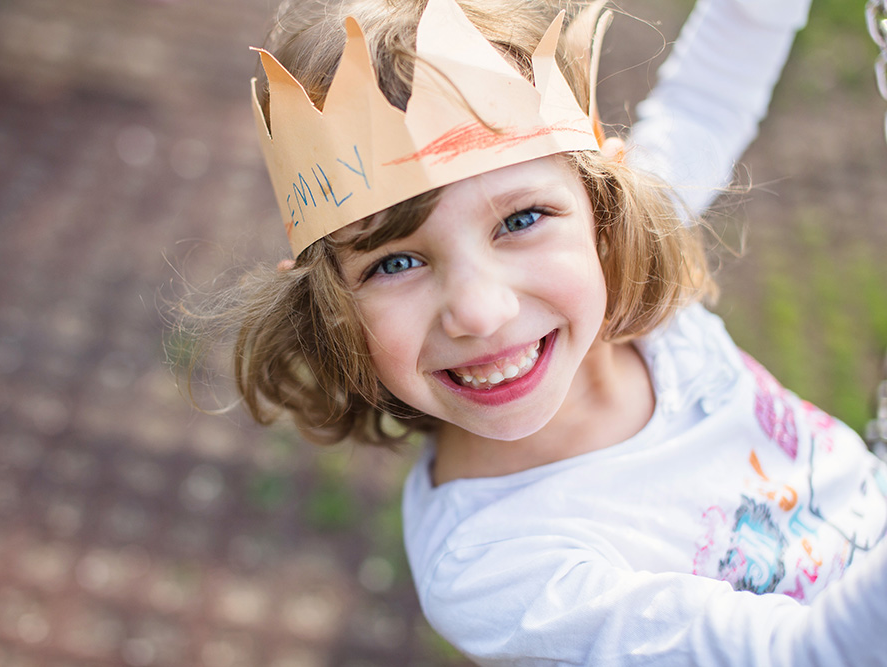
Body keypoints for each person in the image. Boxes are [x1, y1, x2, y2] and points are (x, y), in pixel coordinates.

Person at [177, 0, 887, 662]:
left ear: (603, 206)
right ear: (331, 308)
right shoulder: (496, 563)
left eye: (519, 221)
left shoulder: (618, 257)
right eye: (396, 261)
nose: (480, 311)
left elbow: (721, 71)